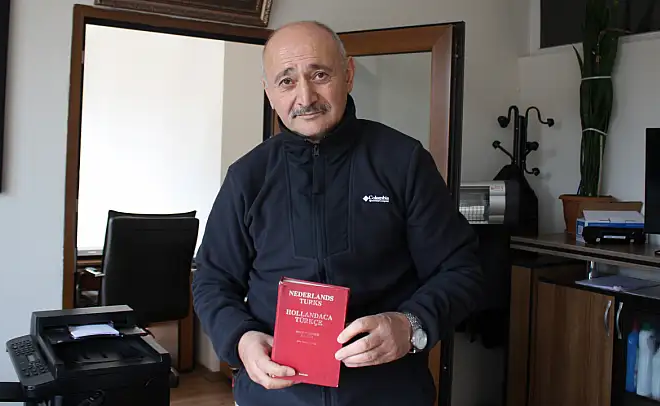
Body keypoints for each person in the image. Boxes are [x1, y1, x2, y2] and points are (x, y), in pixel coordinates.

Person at [192, 20, 485, 406]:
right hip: (274, 397)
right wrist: (241, 339)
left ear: (348, 75)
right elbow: (212, 281)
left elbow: (460, 269)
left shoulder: (403, 162)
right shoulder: (247, 176)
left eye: (319, 74)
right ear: (269, 92)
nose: (305, 96)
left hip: (389, 394)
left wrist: (410, 325)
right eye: (286, 81)